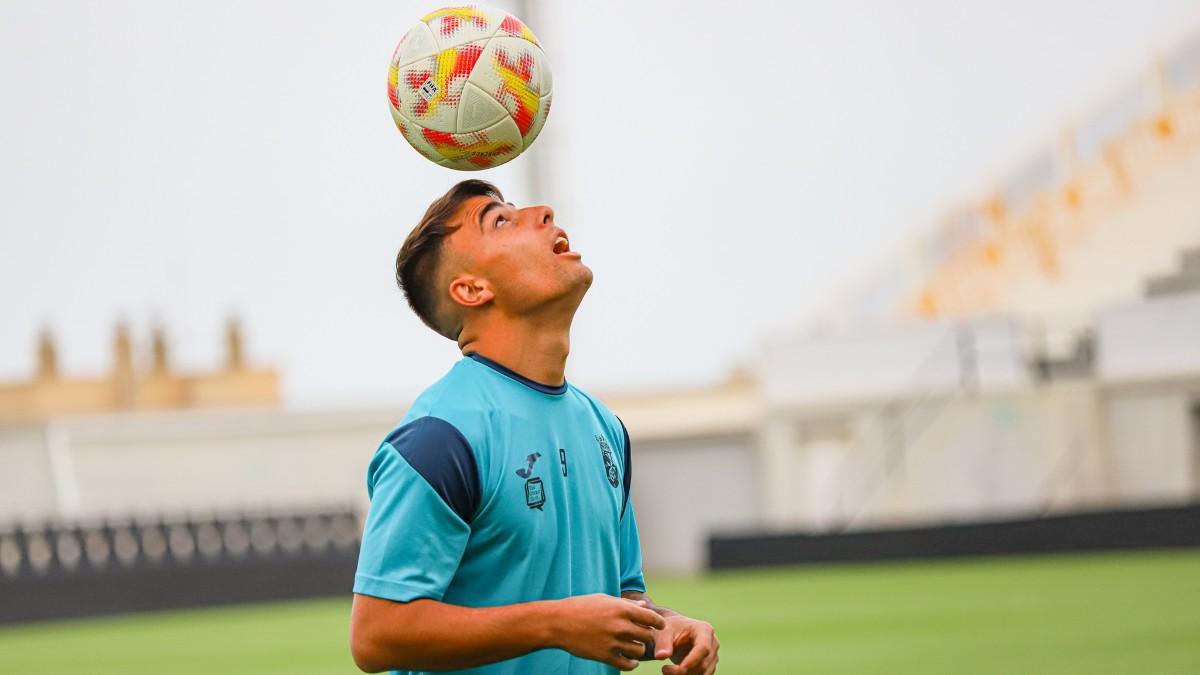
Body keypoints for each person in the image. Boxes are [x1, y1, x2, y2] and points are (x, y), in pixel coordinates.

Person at [349, 180, 720, 675]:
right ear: (472, 289)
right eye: (500, 220)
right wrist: (554, 625)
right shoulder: (439, 437)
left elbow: (622, 599)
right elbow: (377, 635)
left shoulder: (605, 428)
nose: (543, 212)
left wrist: (667, 626)